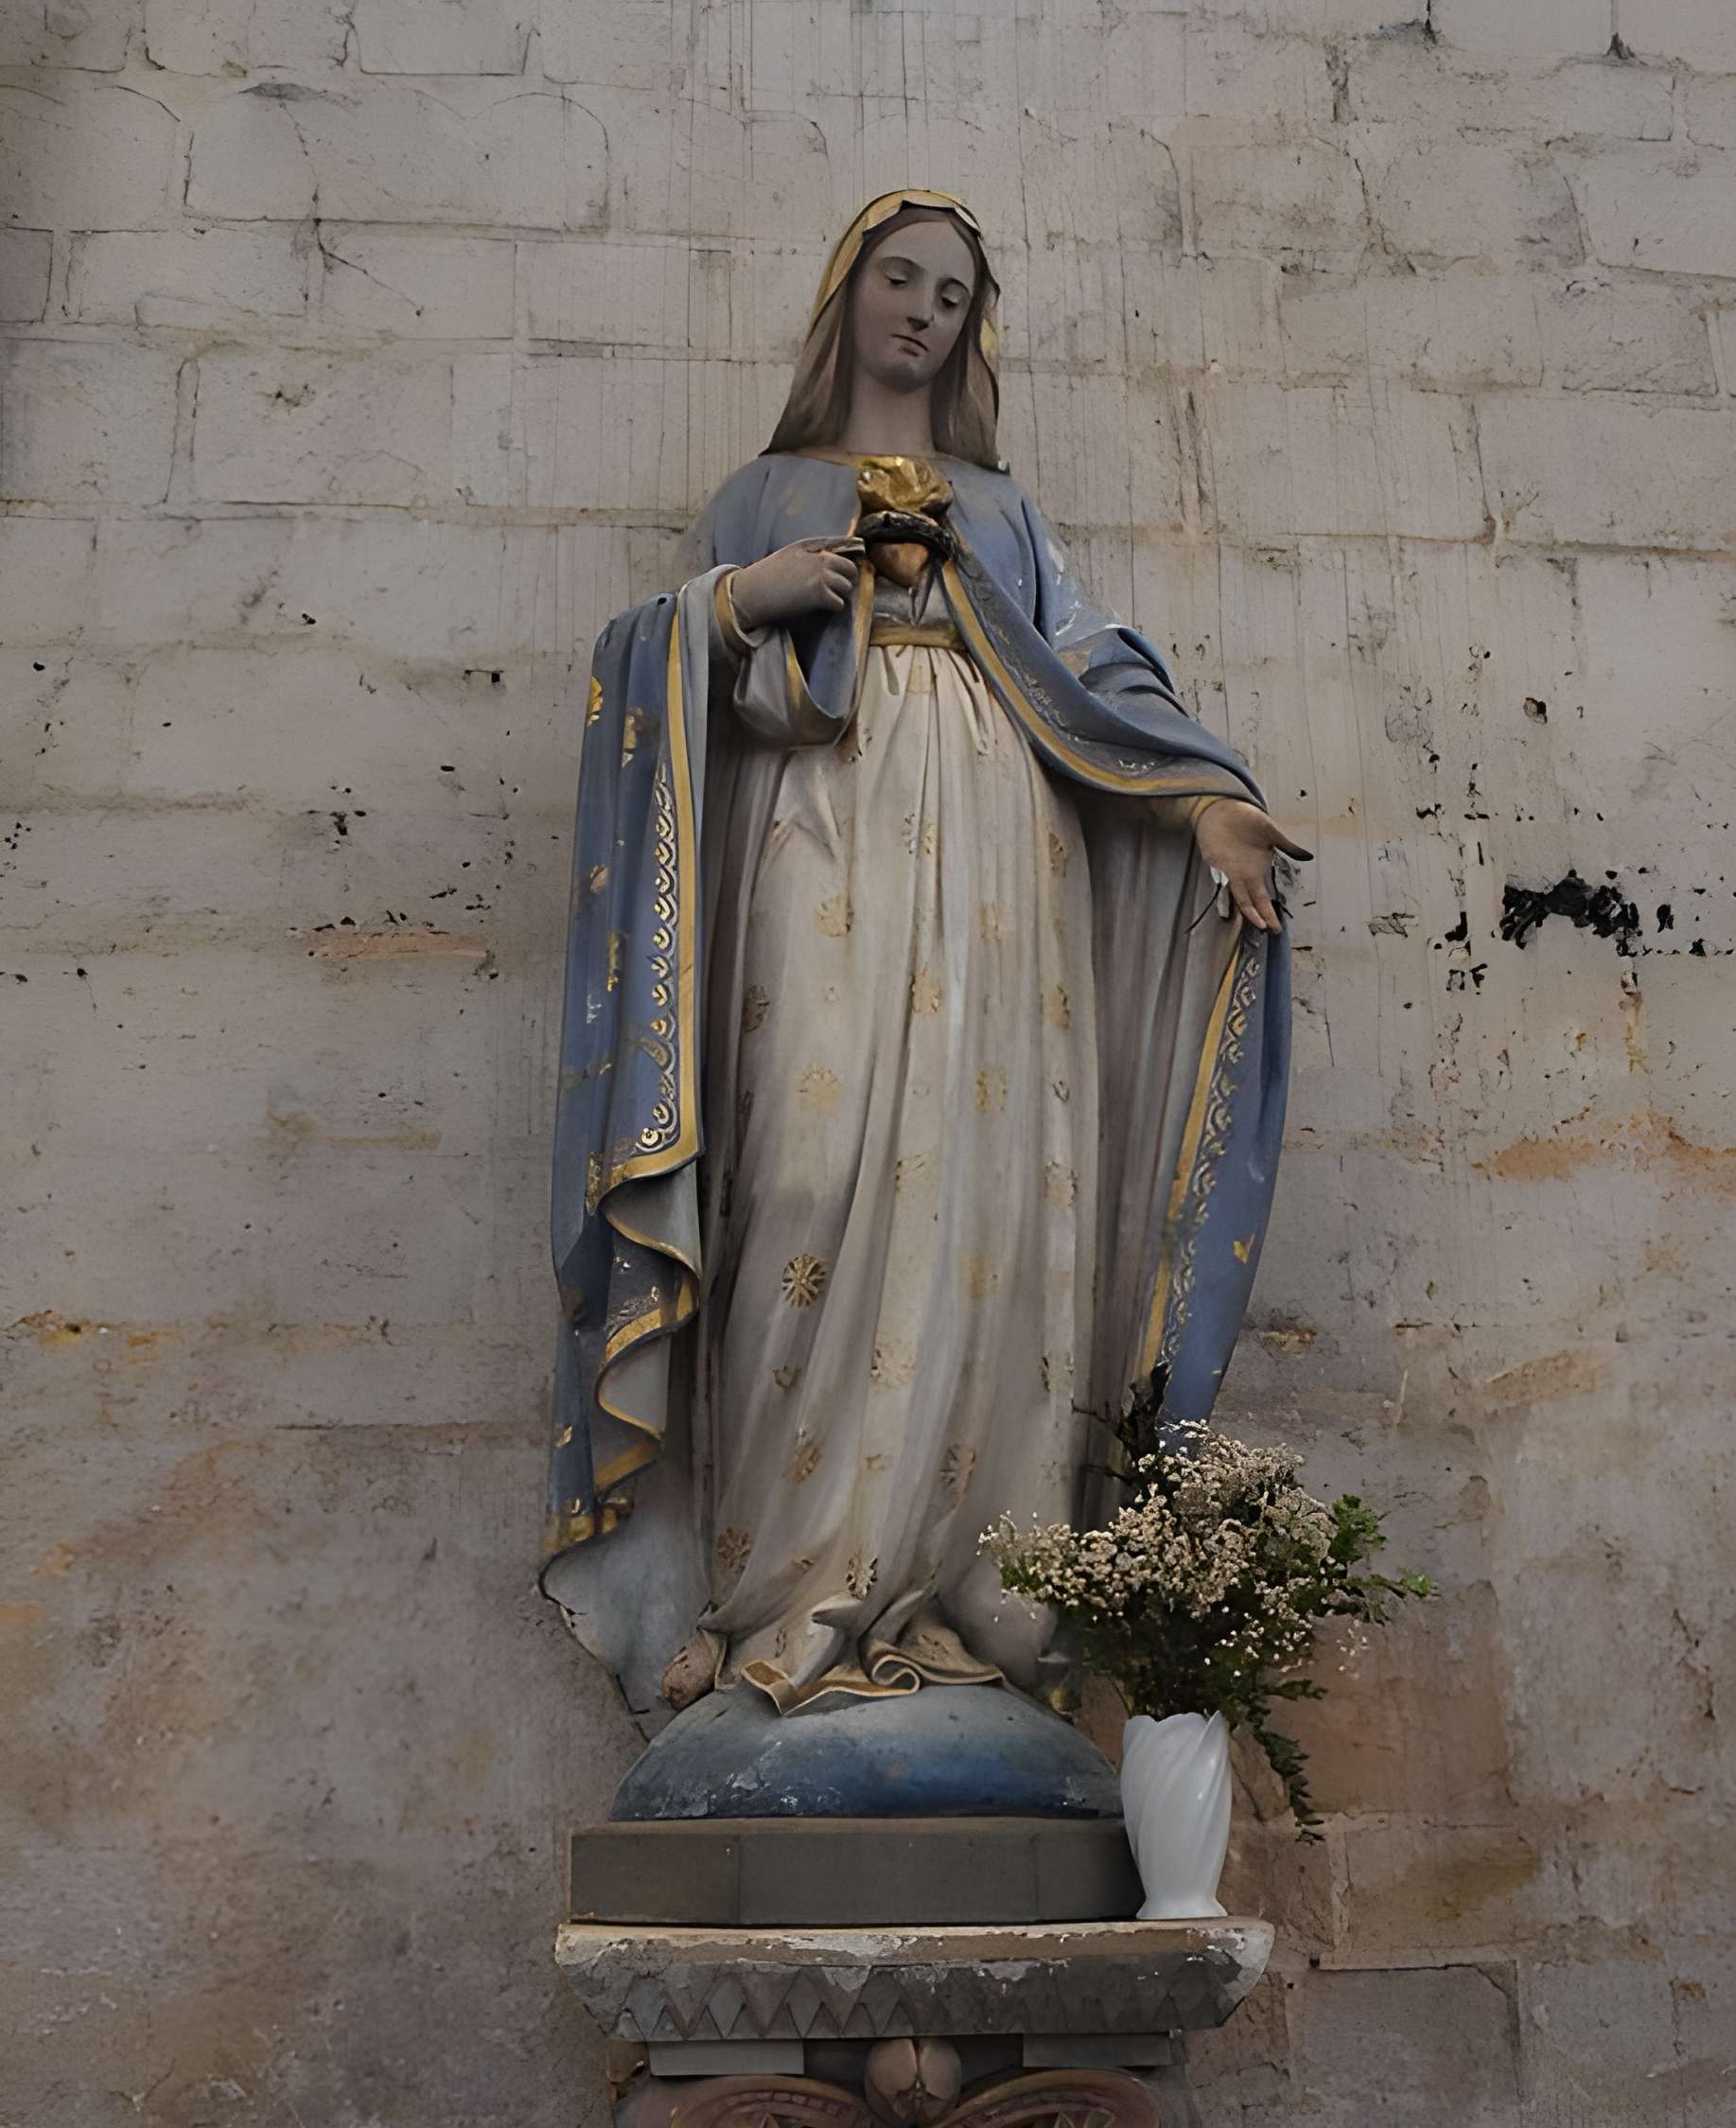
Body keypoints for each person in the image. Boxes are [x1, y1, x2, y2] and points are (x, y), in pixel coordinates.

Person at [542, 189, 1308, 1721]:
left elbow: (1095, 670)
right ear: (850, 296)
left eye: (953, 295)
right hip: (815, 838)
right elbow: (642, 674)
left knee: (983, 1189)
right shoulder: (763, 491)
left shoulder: (1002, 513)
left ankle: (978, 1592)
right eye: (900, 279)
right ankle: (785, 1592)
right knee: (808, 1172)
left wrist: (1208, 801)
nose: (923, 311)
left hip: (1002, 863)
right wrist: (740, 602)